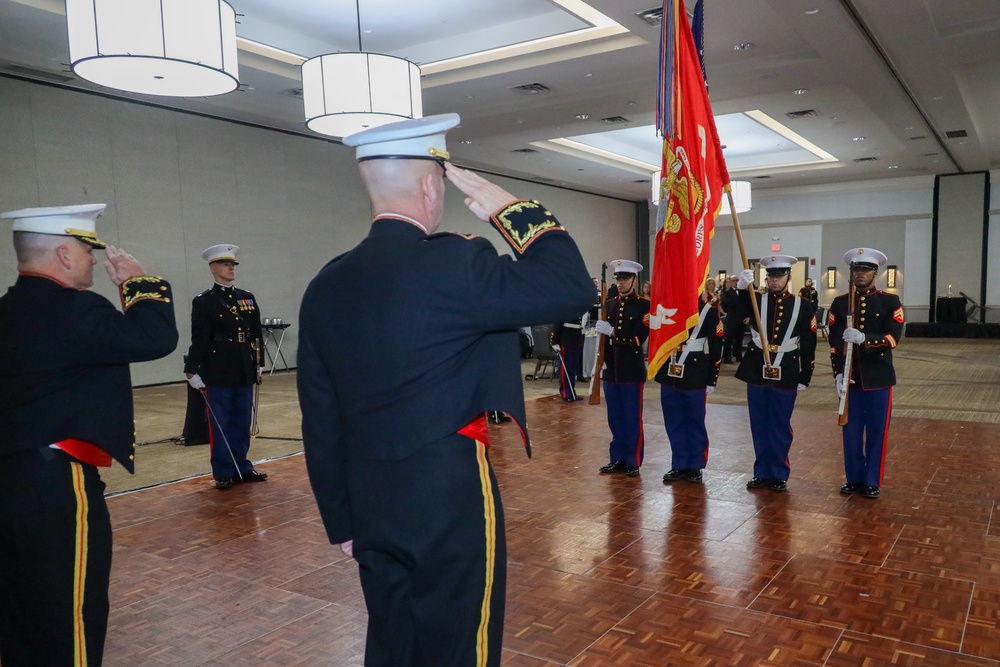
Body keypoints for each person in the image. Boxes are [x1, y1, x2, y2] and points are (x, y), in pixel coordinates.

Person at [296, 113, 593, 667]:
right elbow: (570, 287)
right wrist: (515, 211)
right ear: (433, 186)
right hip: (444, 488)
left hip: (365, 494)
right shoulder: (456, 262)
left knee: (393, 639)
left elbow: (319, 413)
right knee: (459, 640)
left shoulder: (327, 282)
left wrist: (341, 518)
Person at [0, 204, 177, 666]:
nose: (94, 259)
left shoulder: (8, 308)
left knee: (19, 609)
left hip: (10, 479)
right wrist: (139, 282)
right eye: (86, 248)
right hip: (56, 485)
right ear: (62, 254)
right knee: (71, 610)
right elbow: (152, 338)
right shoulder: (75, 308)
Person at [184, 244, 267, 490]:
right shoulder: (204, 302)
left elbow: (255, 333)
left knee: (242, 420)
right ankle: (223, 470)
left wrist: (259, 361)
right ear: (213, 268)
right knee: (221, 423)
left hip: (243, 365)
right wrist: (192, 369)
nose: (231, 268)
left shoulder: (247, 297)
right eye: (225, 264)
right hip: (218, 367)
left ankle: (243, 466)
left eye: (232, 264)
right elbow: (199, 338)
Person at [734, 255, 817, 492]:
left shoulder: (802, 304)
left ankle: (779, 473)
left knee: (780, 425)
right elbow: (735, 317)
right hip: (757, 369)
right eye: (771, 275)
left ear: (789, 277)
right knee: (758, 424)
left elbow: (809, 343)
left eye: (779, 275)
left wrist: (806, 375)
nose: (774, 280)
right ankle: (761, 472)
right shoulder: (756, 299)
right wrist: (741, 290)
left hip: (787, 369)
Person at [828, 248, 903, 499]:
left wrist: (865, 339)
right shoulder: (840, 303)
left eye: (866, 270)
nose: (860, 274)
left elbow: (893, 338)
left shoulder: (890, 301)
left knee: (876, 431)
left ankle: (872, 479)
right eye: (856, 269)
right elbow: (835, 344)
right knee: (850, 431)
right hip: (850, 378)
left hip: (878, 378)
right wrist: (838, 373)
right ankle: (854, 478)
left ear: (875, 273)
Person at [654, 276, 724, 483]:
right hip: (669, 370)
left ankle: (695, 466)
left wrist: (712, 378)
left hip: (695, 371)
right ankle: (679, 464)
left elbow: (716, 346)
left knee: (694, 421)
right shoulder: (668, 310)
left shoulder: (708, 312)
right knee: (673, 421)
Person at [595, 259, 650, 477]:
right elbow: (603, 343)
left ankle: (633, 460)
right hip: (612, 372)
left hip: (631, 371)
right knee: (615, 417)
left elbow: (638, 338)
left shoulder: (644, 306)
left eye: (625, 278)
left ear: (634, 281)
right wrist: (600, 363)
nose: (621, 282)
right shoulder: (609, 305)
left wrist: (613, 333)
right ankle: (617, 458)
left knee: (631, 417)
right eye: (618, 278)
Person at [552, 311, 587, 401]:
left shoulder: (578, 307)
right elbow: (557, 323)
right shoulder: (565, 307)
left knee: (572, 369)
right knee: (565, 369)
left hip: (575, 339)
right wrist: (554, 341)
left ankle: (571, 392)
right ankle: (565, 393)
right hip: (566, 339)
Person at [720, 274, 745, 363]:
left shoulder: (743, 292)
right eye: (734, 281)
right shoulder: (727, 292)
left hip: (742, 319)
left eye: (737, 280)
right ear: (730, 282)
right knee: (729, 338)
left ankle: (738, 355)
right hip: (732, 318)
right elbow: (728, 303)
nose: (736, 282)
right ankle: (727, 356)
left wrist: (747, 316)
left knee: (740, 338)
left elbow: (746, 305)